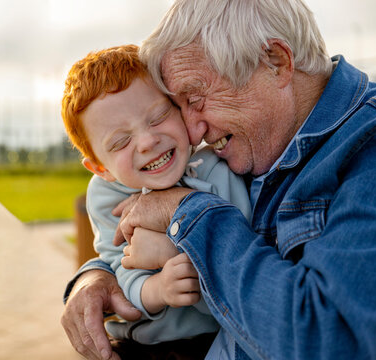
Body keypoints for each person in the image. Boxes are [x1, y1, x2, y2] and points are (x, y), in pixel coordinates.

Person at [61, 0, 376, 359]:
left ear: (276, 61)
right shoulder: (265, 146)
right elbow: (128, 249)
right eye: (179, 106)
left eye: (196, 98)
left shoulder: (368, 148)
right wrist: (96, 278)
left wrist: (184, 211)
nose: (193, 133)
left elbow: (333, 339)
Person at [60, 44, 251, 356]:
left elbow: (242, 257)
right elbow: (121, 273)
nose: (148, 142)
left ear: (180, 108)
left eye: (159, 116)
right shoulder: (106, 195)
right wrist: (158, 289)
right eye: (121, 141)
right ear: (100, 168)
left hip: (217, 339)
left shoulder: (218, 168)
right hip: (142, 345)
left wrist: (177, 257)